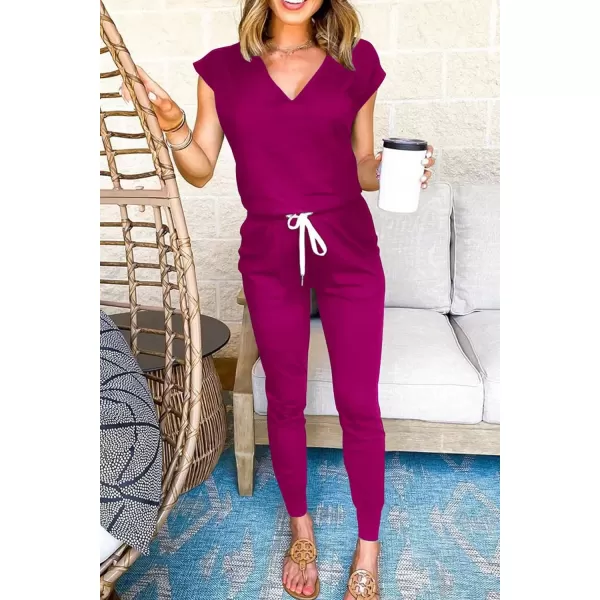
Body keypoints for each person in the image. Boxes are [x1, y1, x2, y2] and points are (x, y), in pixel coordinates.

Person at [122, 1, 435, 598]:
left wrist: (398, 171)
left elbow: (360, 165)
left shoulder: (356, 62)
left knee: (358, 402)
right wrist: (173, 124)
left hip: (348, 248)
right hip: (269, 252)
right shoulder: (221, 69)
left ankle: (368, 544)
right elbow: (200, 168)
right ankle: (301, 528)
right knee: (285, 398)